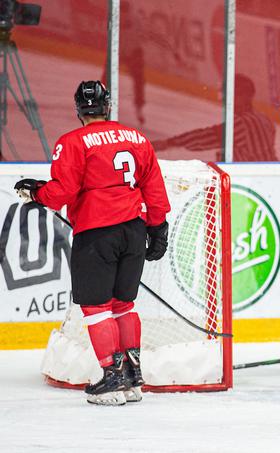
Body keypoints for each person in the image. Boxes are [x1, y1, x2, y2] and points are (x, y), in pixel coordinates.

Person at [14, 81, 171, 406]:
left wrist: (36, 193)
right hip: (133, 231)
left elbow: (64, 191)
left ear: (78, 110)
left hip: (98, 233)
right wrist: (158, 228)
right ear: (107, 106)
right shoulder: (136, 138)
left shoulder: (73, 142)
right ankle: (132, 376)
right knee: (123, 305)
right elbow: (153, 187)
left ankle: (111, 379)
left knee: (96, 308)